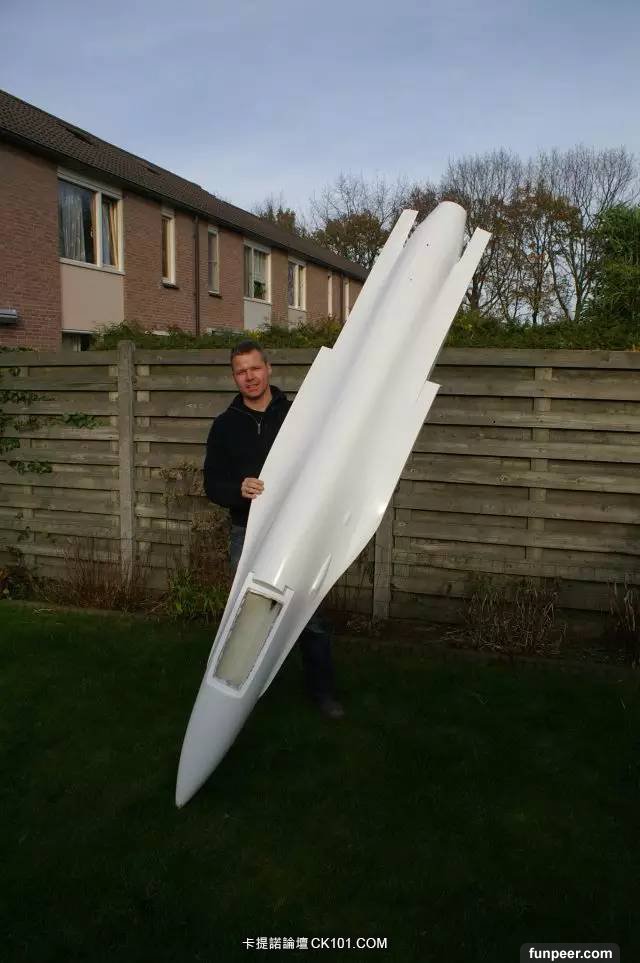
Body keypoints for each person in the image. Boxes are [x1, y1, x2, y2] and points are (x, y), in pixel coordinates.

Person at [203, 339, 344, 719]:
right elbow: (211, 485)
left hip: (298, 532)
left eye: (255, 368)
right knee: (251, 620)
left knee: (309, 618)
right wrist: (238, 490)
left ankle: (322, 693)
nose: (249, 377)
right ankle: (241, 700)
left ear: (268, 369)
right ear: (234, 377)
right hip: (247, 533)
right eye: (241, 371)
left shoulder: (299, 416)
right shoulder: (225, 426)